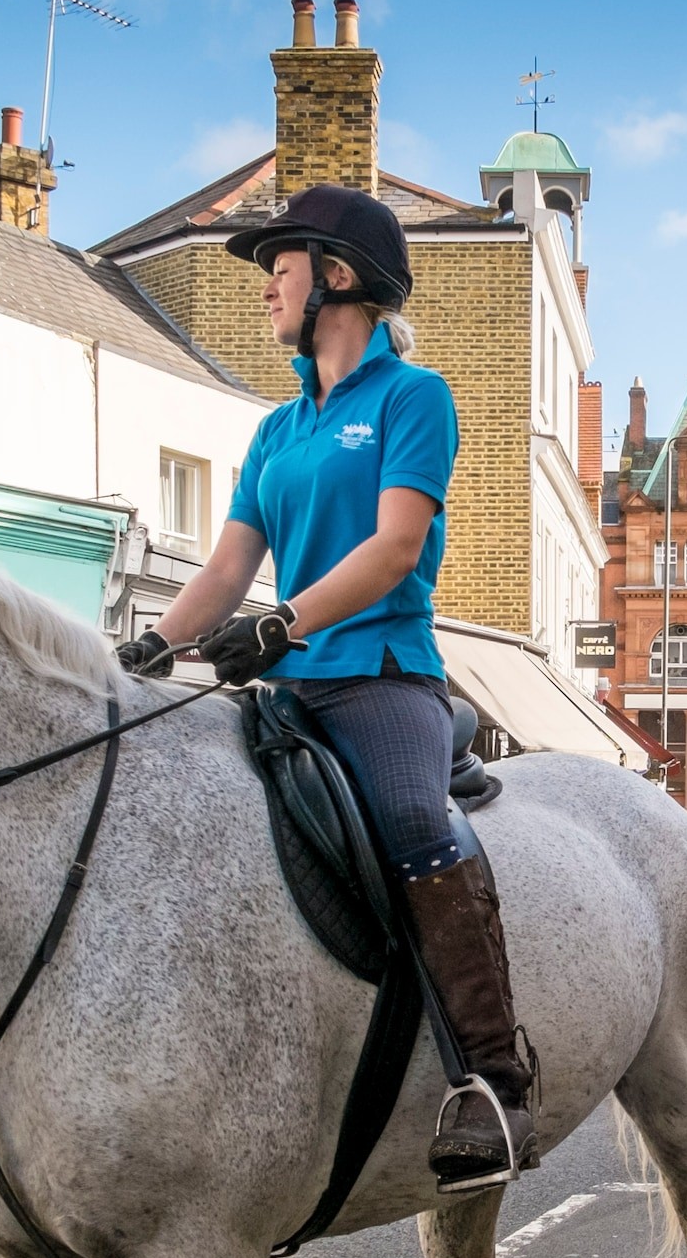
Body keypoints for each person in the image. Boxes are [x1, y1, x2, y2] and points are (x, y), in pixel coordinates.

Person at [121, 183, 534, 1185]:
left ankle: (491, 1077)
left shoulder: (413, 397)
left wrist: (283, 620)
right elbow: (223, 571)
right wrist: (146, 648)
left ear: (335, 279)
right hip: (287, 680)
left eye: (279, 270)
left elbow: (396, 547)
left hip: (381, 677)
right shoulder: (276, 430)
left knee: (407, 816)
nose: (267, 291)